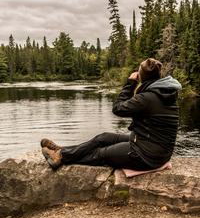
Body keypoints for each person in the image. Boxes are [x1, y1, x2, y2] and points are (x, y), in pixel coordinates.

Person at [41, 58, 182, 171]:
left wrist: (130, 84)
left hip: (146, 156)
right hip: (153, 148)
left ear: (142, 78)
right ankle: (61, 152)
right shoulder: (165, 94)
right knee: (103, 138)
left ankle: (61, 157)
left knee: (101, 153)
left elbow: (117, 108)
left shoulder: (148, 98)